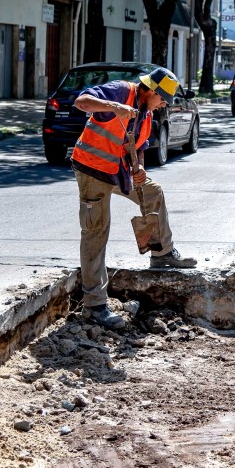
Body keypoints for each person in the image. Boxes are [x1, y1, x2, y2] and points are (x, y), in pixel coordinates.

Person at [71, 67, 197, 328]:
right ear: (150, 90)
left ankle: (161, 253)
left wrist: (139, 168)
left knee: (153, 192)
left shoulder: (147, 113)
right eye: (162, 98)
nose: (163, 104)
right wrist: (113, 106)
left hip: (118, 171)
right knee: (96, 232)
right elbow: (81, 101)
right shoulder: (121, 91)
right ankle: (95, 305)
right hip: (93, 170)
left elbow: (139, 147)